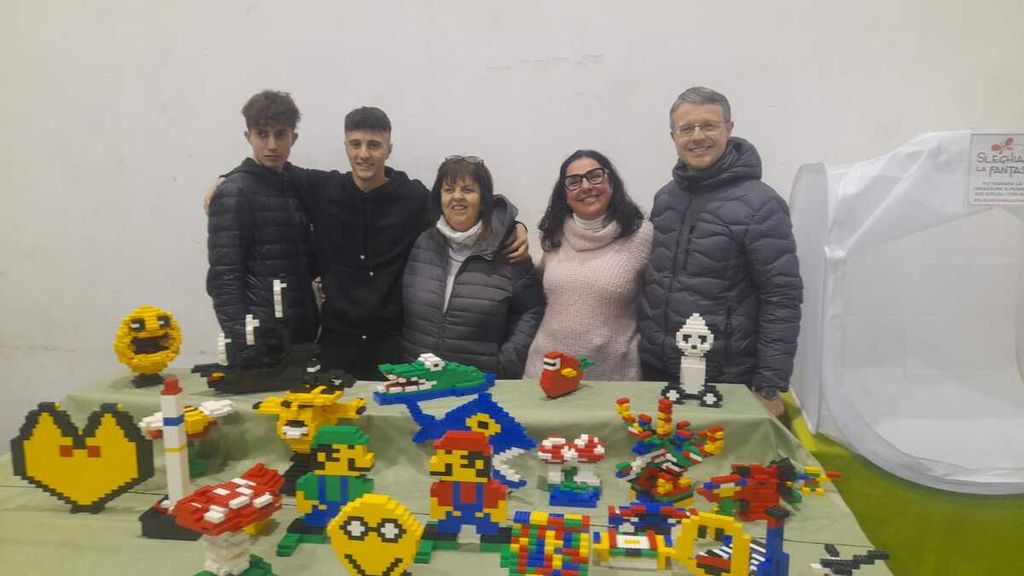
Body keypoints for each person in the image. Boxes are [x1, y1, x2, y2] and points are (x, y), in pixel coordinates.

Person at [205, 106, 530, 379]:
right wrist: (226, 179)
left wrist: (512, 225)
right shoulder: (321, 188)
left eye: (374, 145)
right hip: (335, 346)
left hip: (393, 347)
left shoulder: (413, 197)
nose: (364, 154)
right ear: (345, 146)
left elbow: (461, 206)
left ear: (389, 149)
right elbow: (270, 168)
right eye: (355, 144)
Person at [637, 87, 803, 416]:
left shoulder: (762, 204)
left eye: (709, 126)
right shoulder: (665, 199)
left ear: (729, 128)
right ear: (673, 136)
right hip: (658, 371)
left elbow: (781, 296)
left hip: (727, 379)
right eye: (687, 128)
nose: (698, 136)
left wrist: (769, 384)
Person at [401, 156, 545, 377]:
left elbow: (531, 310)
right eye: (449, 189)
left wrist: (506, 363)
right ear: (439, 198)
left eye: (467, 190)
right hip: (420, 378)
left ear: (484, 201)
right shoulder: (423, 243)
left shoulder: (509, 248)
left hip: (480, 382)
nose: (457, 196)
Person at [206, 90, 318, 363]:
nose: (272, 145)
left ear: (293, 137)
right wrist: (245, 343)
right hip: (260, 344)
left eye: (280, 135)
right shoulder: (234, 192)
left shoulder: (296, 184)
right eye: (262, 134)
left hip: (302, 334)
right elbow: (225, 278)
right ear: (248, 137)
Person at [524, 150, 652, 381]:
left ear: (611, 183)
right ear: (564, 194)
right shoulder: (554, 234)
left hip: (613, 378)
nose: (585, 186)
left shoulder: (640, 235)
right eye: (573, 182)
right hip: (545, 373)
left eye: (594, 176)